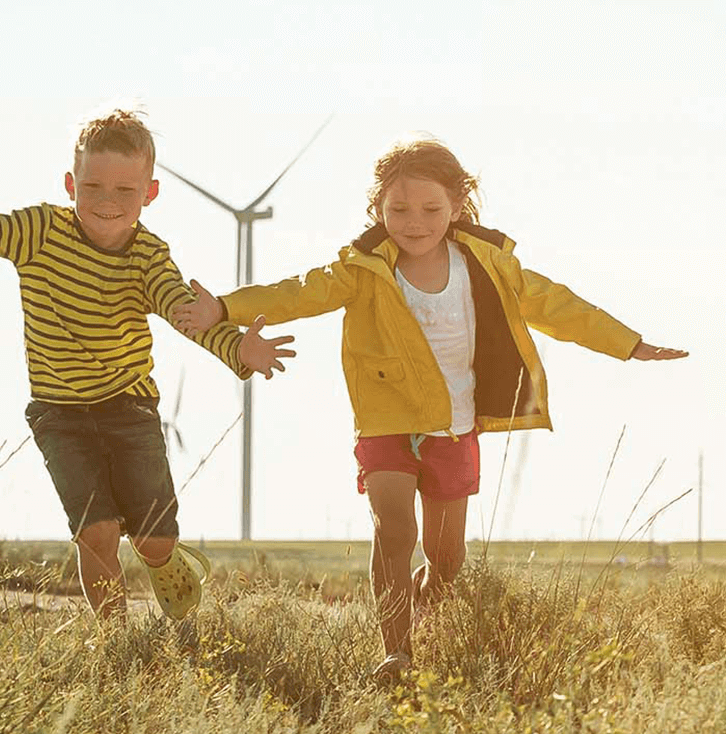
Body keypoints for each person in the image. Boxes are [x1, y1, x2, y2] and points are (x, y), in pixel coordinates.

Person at [171, 136, 684, 680]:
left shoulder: (487, 264)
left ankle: (419, 606)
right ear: (379, 210)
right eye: (398, 210)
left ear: (457, 207)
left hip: (455, 427)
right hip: (387, 422)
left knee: (447, 561)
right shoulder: (364, 270)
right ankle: (396, 651)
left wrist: (627, 343)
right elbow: (298, 292)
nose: (414, 222)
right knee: (395, 532)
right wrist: (226, 306)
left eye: (430, 209)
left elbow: (557, 304)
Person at [0, 106, 294, 622]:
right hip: (59, 414)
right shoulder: (38, 231)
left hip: (130, 407)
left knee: (153, 540)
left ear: (149, 193)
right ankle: (115, 635)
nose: (107, 202)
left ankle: (165, 559)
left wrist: (237, 348)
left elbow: (183, 310)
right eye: (93, 187)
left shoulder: (149, 255)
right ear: (70, 184)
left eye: (125, 191)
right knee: (96, 531)